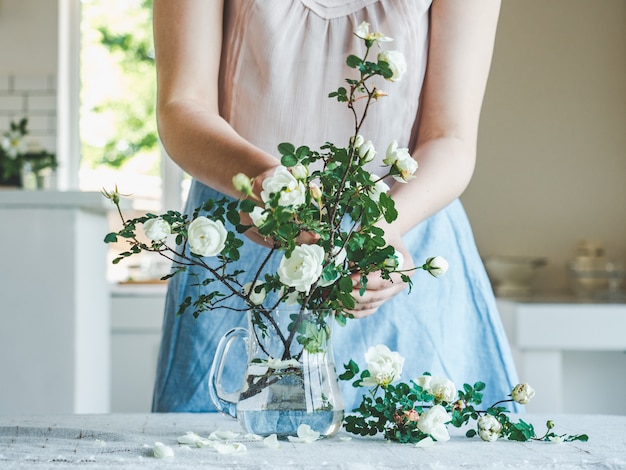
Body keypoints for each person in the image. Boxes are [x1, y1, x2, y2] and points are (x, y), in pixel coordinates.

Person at [151, 0, 520, 413]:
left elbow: (450, 136)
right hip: (244, 231)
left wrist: (383, 232)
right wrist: (267, 184)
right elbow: (181, 105)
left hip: (402, 231)